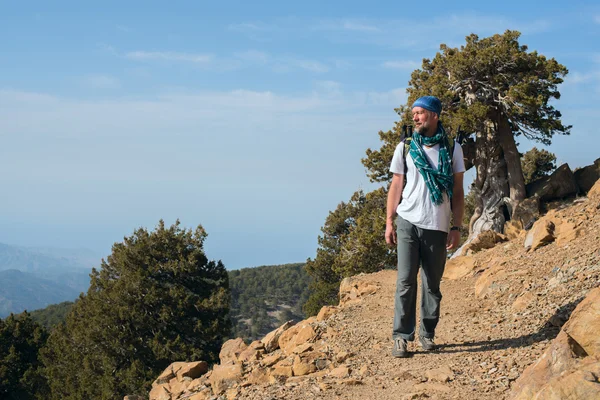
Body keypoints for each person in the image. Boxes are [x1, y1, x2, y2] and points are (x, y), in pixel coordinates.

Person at [385, 96, 465, 358]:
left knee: (432, 284)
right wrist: (389, 221)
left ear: (434, 115)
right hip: (408, 220)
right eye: (414, 113)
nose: (415, 117)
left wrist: (456, 226)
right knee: (405, 281)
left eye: (420, 113)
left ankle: (427, 334)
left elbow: (458, 190)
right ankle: (401, 337)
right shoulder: (406, 146)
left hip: (437, 224)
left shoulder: (452, 148)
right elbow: (396, 184)